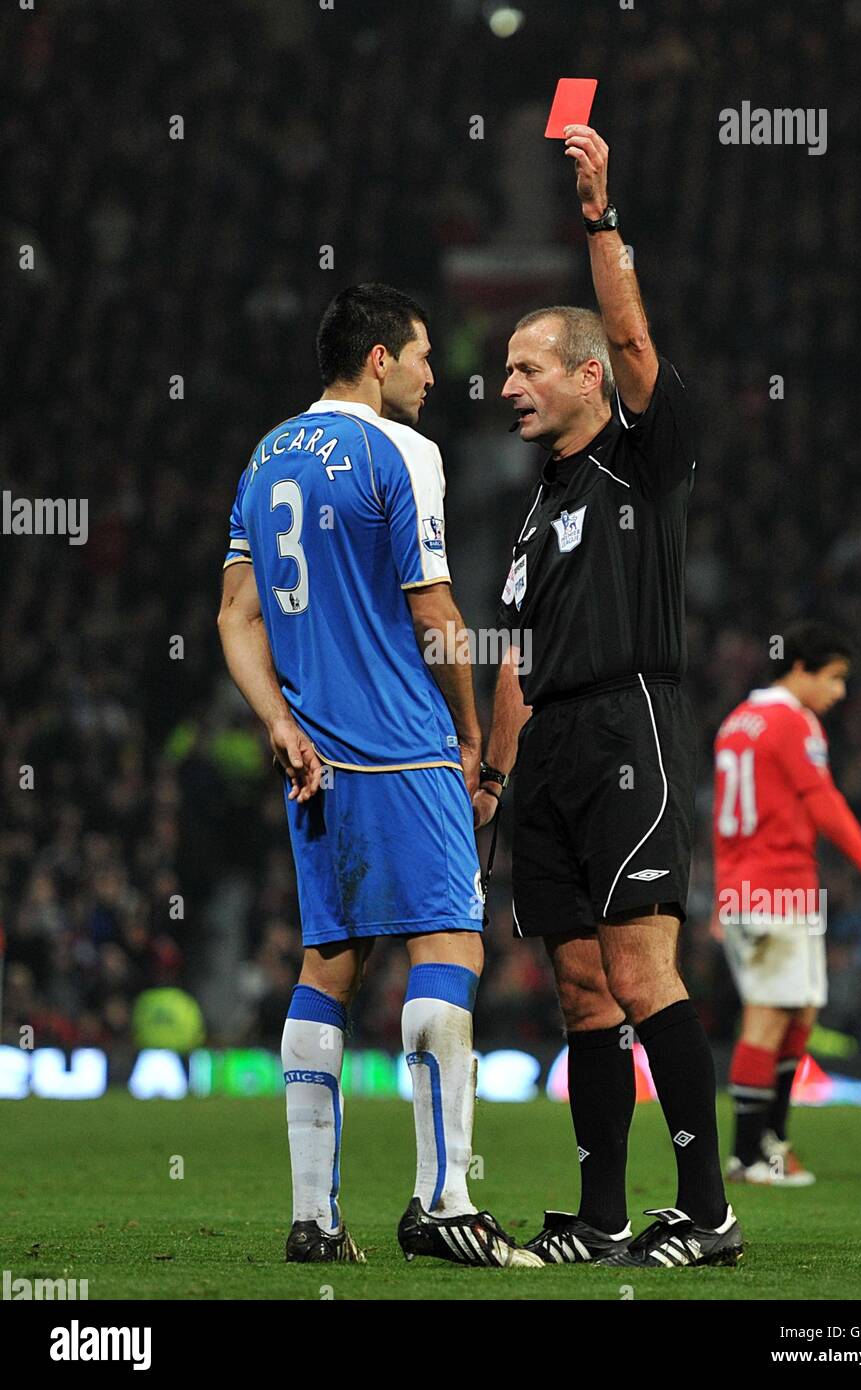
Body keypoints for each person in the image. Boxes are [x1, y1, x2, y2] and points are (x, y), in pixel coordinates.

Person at [218, 282, 540, 1268]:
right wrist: (471, 738)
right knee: (451, 942)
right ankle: (444, 1200)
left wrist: (276, 720)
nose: (435, 373)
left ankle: (314, 1219)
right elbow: (436, 611)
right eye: (422, 353)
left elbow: (235, 618)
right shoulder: (400, 450)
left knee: (331, 966)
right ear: (375, 360)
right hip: (401, 741)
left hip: (310, 752)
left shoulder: (266, 454)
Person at [476, 128, 742, 1269]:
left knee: (640, 969)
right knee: (581, 989)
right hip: (547, 747)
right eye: (503, 369)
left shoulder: (641, 454)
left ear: (589, 375)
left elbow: (629, 327)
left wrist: (597, 214)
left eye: (529, 365)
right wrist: (492, 776)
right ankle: (599, 1216)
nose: (507, 384)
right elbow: (505, 657)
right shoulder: (536, 514)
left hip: (627, 717)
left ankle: (707, 1211)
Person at [712, 620, 861, 1184]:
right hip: (777, 887)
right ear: (800, 669)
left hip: (755, 888)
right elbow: (825, 806)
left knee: (798, 1012)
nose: (839, 692)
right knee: (769, 1016)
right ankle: (750, 1153)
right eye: (833, 678)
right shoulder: (791, 722)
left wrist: (723, 894)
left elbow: (725, 819)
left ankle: (771, 1142)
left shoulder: (737, 722)